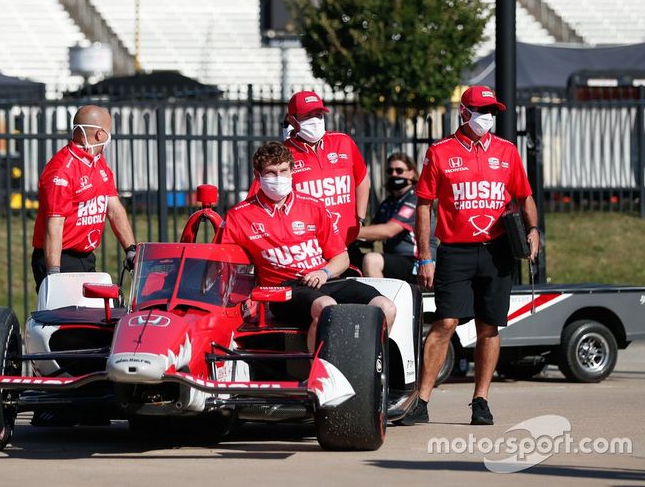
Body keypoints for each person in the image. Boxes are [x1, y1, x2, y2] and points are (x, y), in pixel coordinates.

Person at [403, 86, 540, 426]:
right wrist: (424, 256)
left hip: (496, 251)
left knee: (489, 326)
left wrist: (534, 229)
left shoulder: (507, 152)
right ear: (463, 112)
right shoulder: (440, 152)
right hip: (455, 250)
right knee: (446, 322)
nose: (487, 117)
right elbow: (424, 205)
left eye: (492, 111)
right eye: (480, 110)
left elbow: (525, 197)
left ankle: (481, 400)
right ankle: (421, 400)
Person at [223, 141, 396, 353]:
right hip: (284, 290)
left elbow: (342, 258)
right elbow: (224, 267)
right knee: (326, 307)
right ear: (257, 175)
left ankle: (366, 369)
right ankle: (321, 376)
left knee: (385, 307)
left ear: (292, 170)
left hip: (325, 279)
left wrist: (324, 272)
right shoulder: (239, 216)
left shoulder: (312, 205)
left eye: (283, 171)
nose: (278, 178)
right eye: (271, 172)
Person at [31, 105, 137, 292]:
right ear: (99, 134)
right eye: (108, 131)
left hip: (85, 256)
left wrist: (131, 249)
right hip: (60, 257)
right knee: (67, 318)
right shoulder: (62, 170)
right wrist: (54, 273)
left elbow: (114, 209)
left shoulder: (98, 162)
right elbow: (54, 225)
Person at [249, 91, 370, 249]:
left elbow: (361, 179)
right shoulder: (282, 155)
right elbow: (259, 199)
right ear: (292, 119)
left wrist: (359, 219)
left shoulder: (343, 142)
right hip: (306, 248)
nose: (315, 121)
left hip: (347, 241)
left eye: (319, 115)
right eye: (307, 116)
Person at [357, 153, 436, 282]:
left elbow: (389, 230)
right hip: (393, 260)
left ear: (411, 173)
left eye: (399, 171)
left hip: (418, 262)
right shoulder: (388, 203)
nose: (394, 174)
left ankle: (384, 301)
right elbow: (370, 233)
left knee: (371, 260)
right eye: (390, 171)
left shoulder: (415, 198)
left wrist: (349, 232)